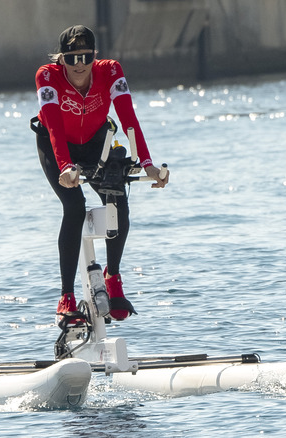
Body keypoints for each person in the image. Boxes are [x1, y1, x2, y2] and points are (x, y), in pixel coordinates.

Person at [31, 25, 168, 327]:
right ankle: (66, 299)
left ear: (94, 56)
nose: (79, 65)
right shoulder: (47, 76)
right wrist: (66, 167)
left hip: (95, 142)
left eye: (85, 57)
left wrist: (148, 164)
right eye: (71, 58)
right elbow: (53, 126)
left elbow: (128, 117)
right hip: (56, 147)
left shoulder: (111, 71)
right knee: (75, 206)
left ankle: (113, 278)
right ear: (61, 58)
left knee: (115, 197)